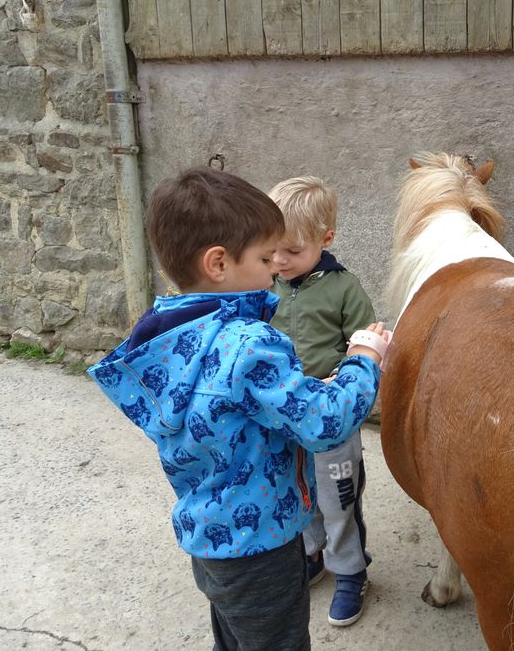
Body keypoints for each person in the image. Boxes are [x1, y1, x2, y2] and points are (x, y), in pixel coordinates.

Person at [88, 167, 390, 651]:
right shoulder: (249, 345)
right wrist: (363, 359)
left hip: (208, 534)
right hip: (262, 543)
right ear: (219, 263)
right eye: (266, 256)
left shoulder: (165, 334)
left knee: (233, 638)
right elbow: (325, 422)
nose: (275, 267)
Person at [267, 175, 376, 626]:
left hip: (331, 419)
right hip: (281, 417)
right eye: (271, 249)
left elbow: (369, 340)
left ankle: (351, 570)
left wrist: (353, 366)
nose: (279, 260)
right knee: (298, 491)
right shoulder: (264, 284)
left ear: (325, 239)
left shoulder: (344, 288)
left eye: (292, 250)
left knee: (338, 500)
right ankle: (312, 555)